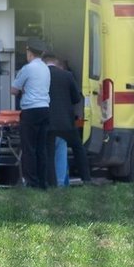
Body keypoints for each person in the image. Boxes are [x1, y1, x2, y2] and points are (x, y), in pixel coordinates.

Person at [11, 38, 50, 189]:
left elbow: (14, 90)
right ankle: (43, 182)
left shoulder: (27, 68)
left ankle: (31, 182)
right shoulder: (46, 68)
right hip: (45, 109)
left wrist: (23, 89)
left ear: (29, 53)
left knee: (29, 148)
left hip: (30, 110)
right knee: (41, 148)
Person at [43, 53, 83, 187]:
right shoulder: (67, 75)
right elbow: (76, 98)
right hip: (64, 122)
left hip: (46, 120)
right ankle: (60, 183)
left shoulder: (40, 76)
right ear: (57, 63)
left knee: (48, 153)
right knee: (61, 150)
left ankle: (50, 182)